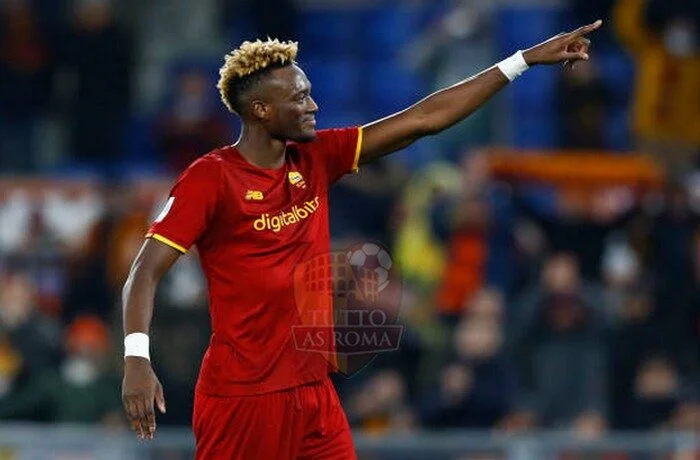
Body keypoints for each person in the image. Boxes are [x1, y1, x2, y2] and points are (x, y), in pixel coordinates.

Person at [121, 20, 602, 459]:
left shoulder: (315, 159)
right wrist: (137, 358)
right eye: (300, 97)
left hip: (314, 390)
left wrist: (521, 61)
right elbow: (144, 271)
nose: (314, 105)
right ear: (262, 110)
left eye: (310, 92)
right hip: (245, 396)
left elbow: (423, 119)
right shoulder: (210, 179)